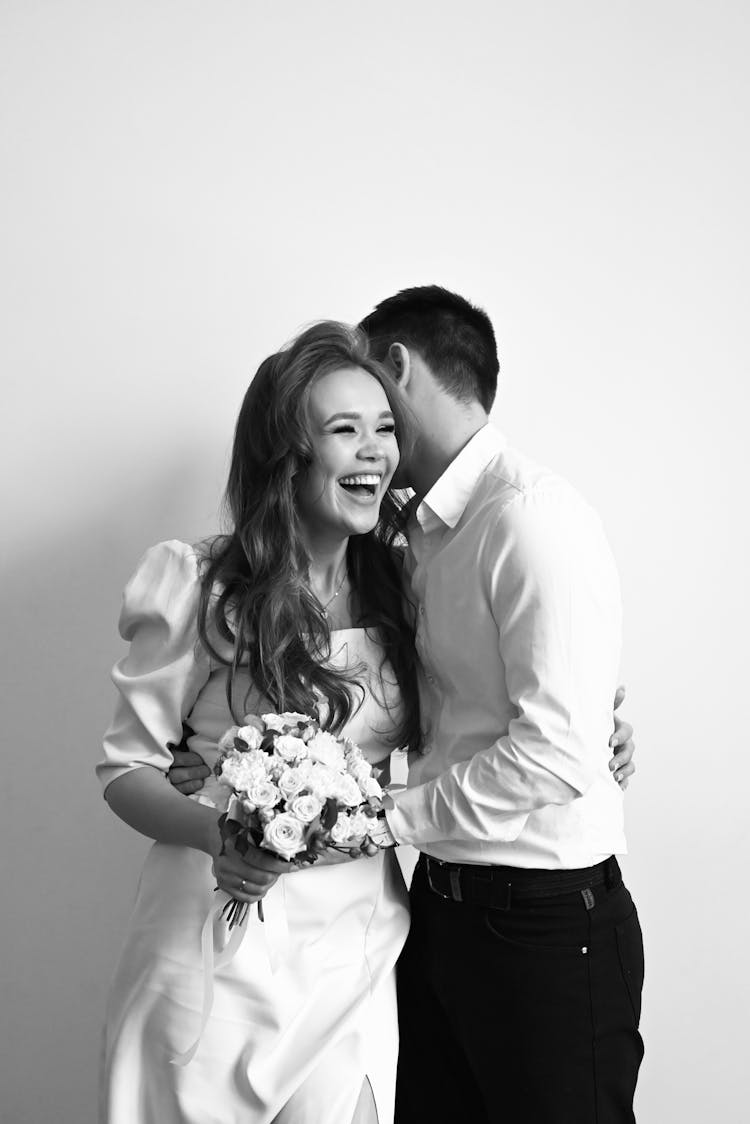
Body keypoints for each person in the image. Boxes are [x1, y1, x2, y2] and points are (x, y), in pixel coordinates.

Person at [168, 288, 643, 1123]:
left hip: (541, 926)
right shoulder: (404, 542)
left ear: (394, 367)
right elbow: (461, 707)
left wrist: (381, 817)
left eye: (375, 414)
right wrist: (211, 766)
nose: (369, 439)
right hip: (433, 915)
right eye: (342, 425)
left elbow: (556, 753)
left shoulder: (529, 519)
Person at [97, 322, 421, 1124]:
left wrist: (597, 727)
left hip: (355, 950)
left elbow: (486, 708)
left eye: (385, 429)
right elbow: (126, 770)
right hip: (215, 952)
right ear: (286, 455)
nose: (374, 451)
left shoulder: (408, 587)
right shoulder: (198, 582)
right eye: (344, 431)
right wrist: (219, 836)